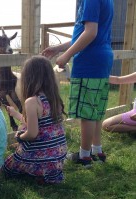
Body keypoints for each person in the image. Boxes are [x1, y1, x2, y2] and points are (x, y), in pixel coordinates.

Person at [42, 0, 114, 166]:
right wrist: (58, 48)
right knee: (95, 110)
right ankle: (97, 151)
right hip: (103, 59)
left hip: (89, 62)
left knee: (86, 112)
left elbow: (90, 33)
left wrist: (66, 56)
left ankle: (84, 156)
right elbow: (82, 35)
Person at [2, 55, 67, 184]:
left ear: (28, 78)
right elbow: (39, 124)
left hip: (43, 158)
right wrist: (16, 114)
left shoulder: (32, 101)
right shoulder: (54, 99)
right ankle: (45, 175)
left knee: (6, 168)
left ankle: (38, 171)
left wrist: (20, 137)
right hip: (58, 157)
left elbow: (32, 133)